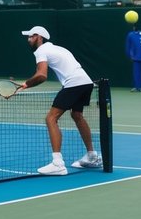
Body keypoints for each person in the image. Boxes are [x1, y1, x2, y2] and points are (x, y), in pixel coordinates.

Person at [13, 25, 103, 175]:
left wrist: (26, 84)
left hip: (73, 83)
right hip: (86, 82)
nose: (28, 40)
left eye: (31, 36)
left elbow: (42, 75)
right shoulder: (60, 48)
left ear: (39, 37)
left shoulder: (41, 50)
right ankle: (92, 156)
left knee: (51, 118)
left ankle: (58, 164)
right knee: (77, 115)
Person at [126, 22, 141, 92]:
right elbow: (128, 46)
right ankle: (137, 87)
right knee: (136, 73)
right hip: (135, 58)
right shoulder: (130, 35)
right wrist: (130, 56)